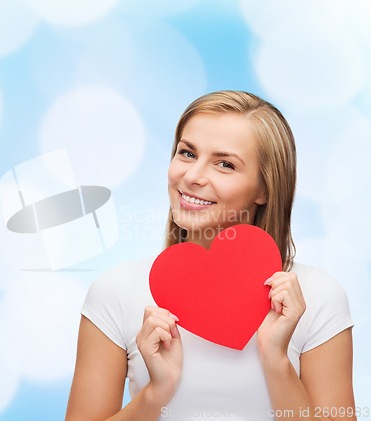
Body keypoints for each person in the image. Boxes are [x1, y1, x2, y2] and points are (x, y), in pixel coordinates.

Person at [65, 91, 356, 420]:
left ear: (265, 188)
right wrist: (155, 393)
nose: (192, 176)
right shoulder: (115, 292)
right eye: (187, 153)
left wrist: (276, 360)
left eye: (225, 164)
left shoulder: (316, 297)